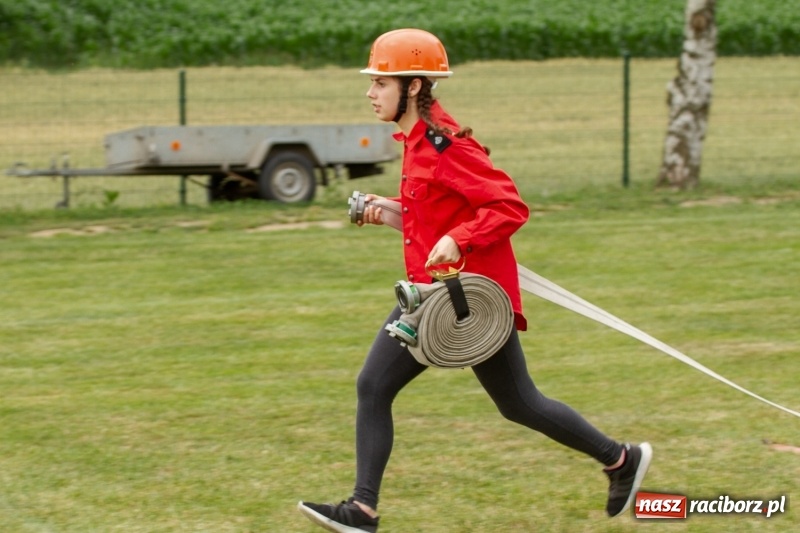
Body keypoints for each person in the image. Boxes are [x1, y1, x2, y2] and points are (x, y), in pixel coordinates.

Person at [298, 28, 651, 532]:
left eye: (380, 82)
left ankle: (362, 510)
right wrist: (391, 211)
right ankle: (620, 459)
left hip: (469, 299)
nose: (370, 92)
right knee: (493, 400)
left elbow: (509, 206)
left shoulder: (446, 146)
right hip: (436, 294)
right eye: (372, 82)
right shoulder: (417, 142)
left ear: (413, 87)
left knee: (493, 400)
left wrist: (459, 239)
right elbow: (435, 212)